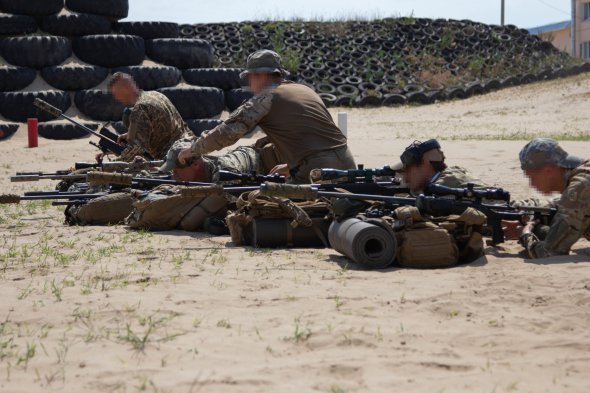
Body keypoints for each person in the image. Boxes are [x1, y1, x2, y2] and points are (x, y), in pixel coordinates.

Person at [176, 49, 356, 184]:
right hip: (347, 166)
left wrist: (193, 149)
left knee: (257, 206)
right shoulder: (305, 90)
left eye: (250, 78)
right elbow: (316, 137)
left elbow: (228, 132)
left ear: (260, 75)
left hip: (317, 173)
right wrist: (290, 166)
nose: (250, 84)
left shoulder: (266, 97)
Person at [502, 138, 589, 259]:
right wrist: (521, 213)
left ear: (547, 170)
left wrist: (524, 235)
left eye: (531, 177)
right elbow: (556, 206)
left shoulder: (579, 187)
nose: (532, 184)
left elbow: (547, 252)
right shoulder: (583, 174)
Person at [107, 72, 192, 160]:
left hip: (173, 160)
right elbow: (168, 126)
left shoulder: (139, 109)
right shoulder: (156, 95)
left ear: (124, 89)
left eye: (115, 94)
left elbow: (136, 151)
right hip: (189, 148)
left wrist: (112, 164)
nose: (117, 98)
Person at [391, 139, 485, 194]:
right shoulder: (454, 172)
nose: (406, 178)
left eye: (408, 170)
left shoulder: (443, 188)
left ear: (425, 163)